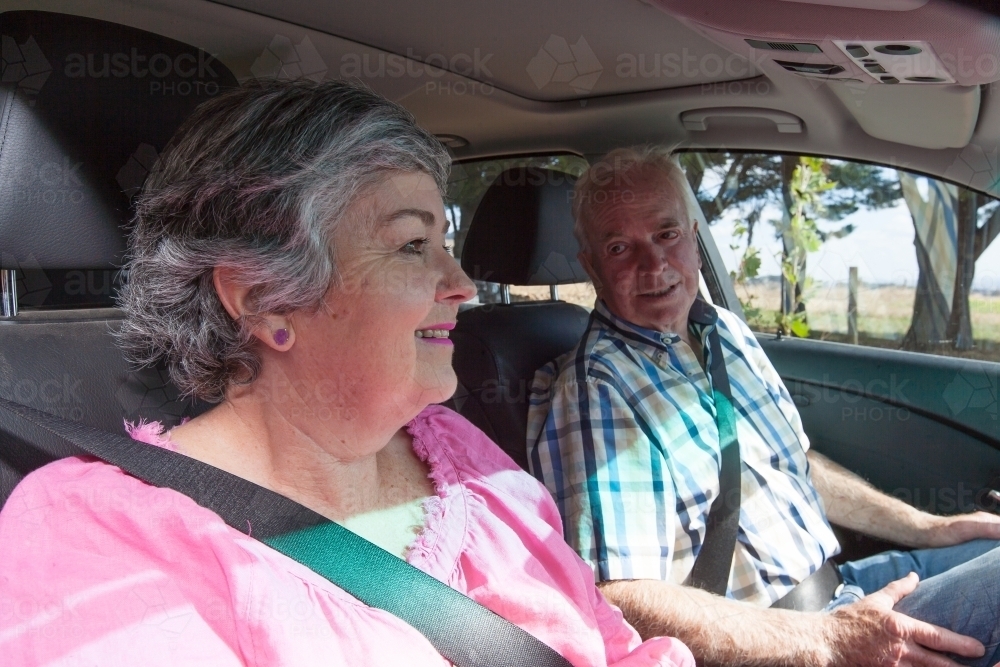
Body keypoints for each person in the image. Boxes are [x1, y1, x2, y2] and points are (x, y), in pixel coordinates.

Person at [0, 82, 694, 667]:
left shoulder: (458, 453)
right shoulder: (93, 538)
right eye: (412, 245)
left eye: (444, 243)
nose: (461, 284)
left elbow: (609, 642)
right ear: (266, 298)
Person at [527, 145, 1000, 667]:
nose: (654, 263)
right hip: (783, 644)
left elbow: (794, 467)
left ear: (692, 235)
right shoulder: (595, 385)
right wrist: (831, 643)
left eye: (667, 235)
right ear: (591, 265)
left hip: (843, 591)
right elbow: (620, 595)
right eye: (620, 248)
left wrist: (929, 528)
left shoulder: (721, 331)